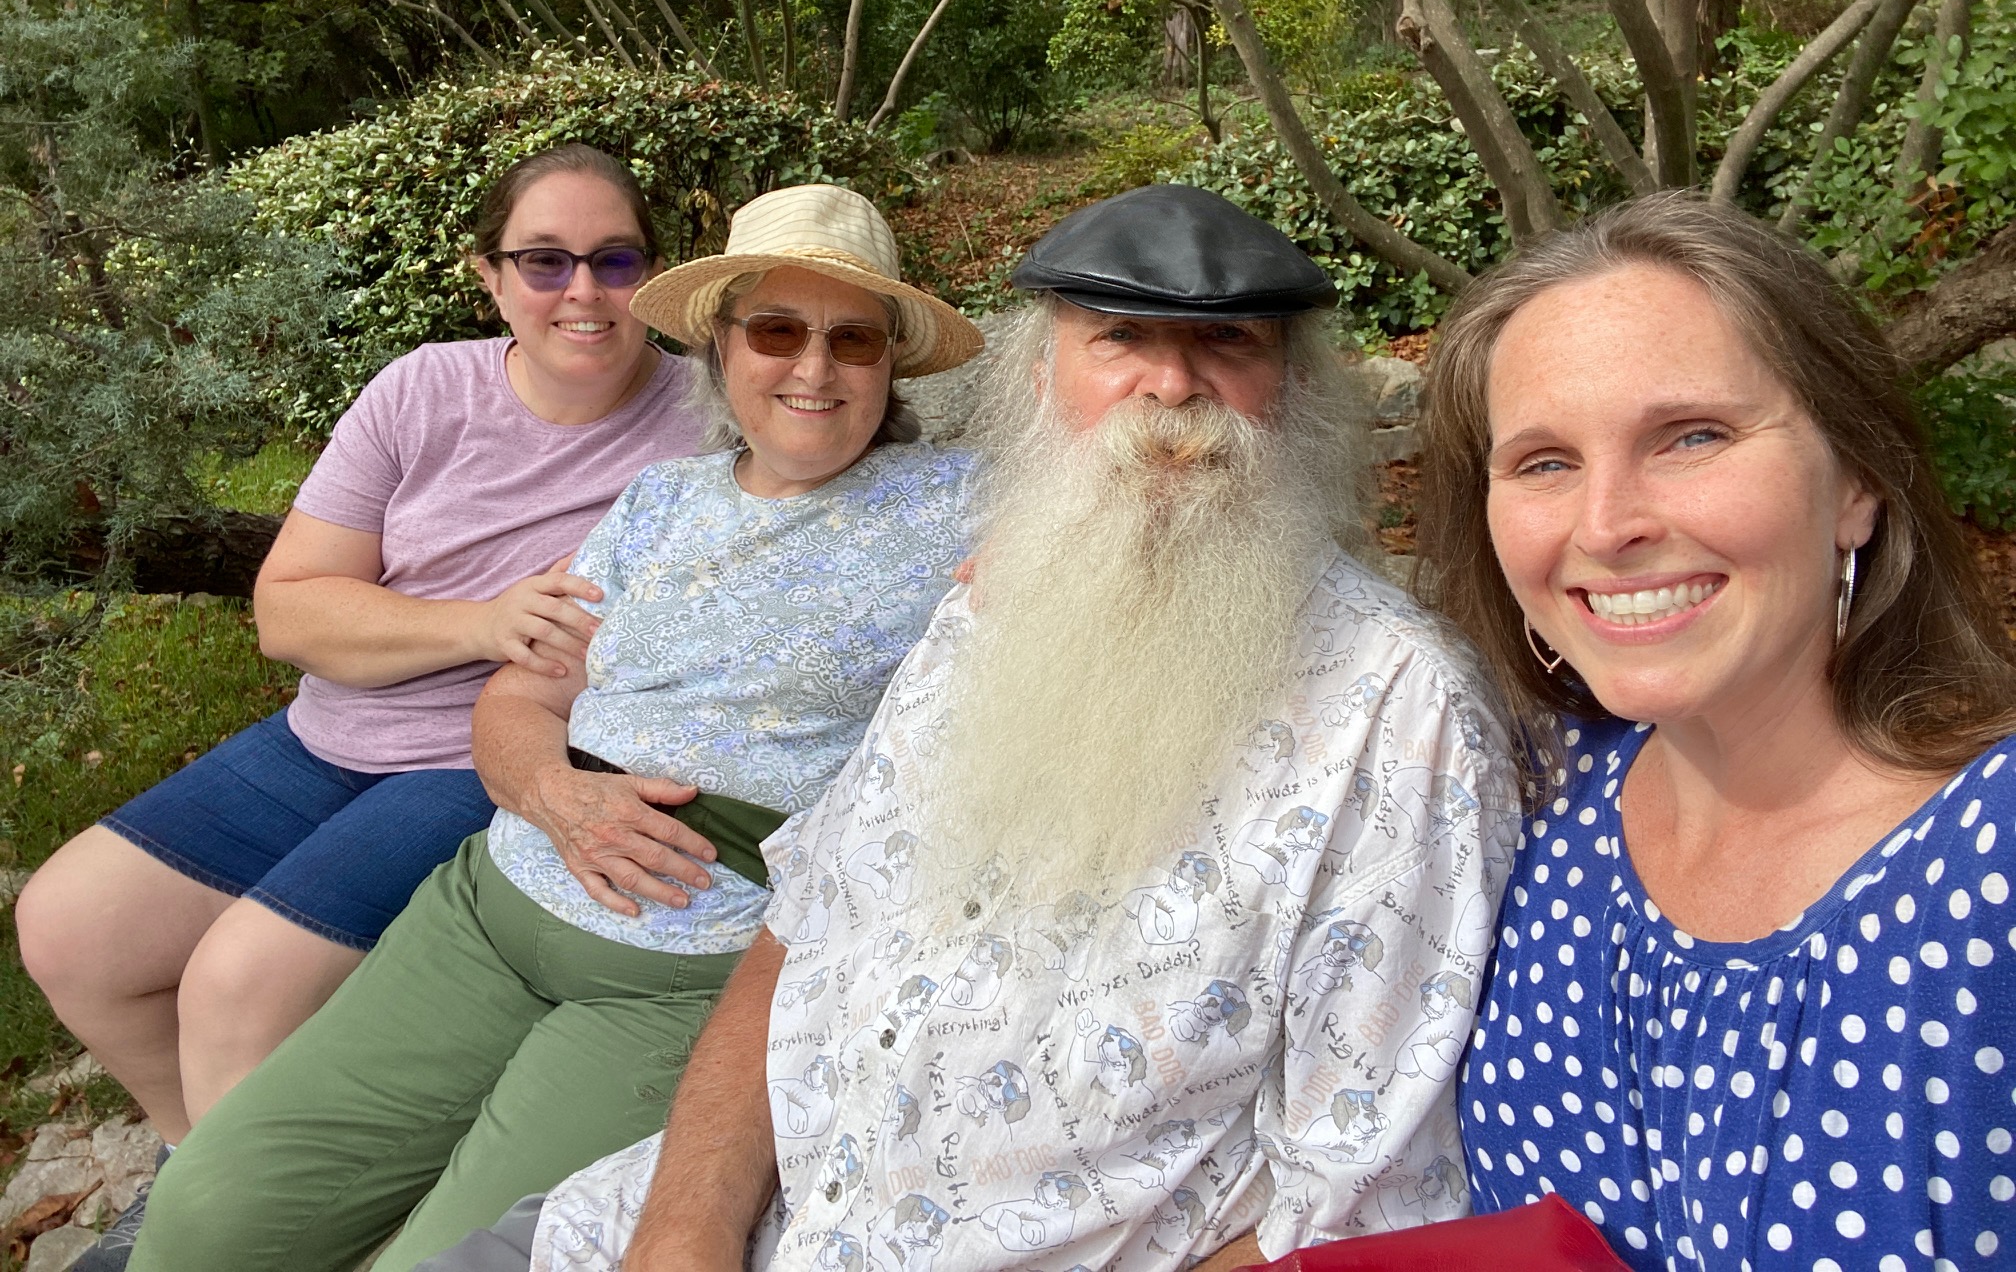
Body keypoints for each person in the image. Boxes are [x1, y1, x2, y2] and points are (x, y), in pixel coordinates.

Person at [421, 183, 1524, 1272]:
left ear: (1296, 389)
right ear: (1043, 380)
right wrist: (683, 1228)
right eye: (1120, 337)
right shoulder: (985, 612)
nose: (1173, 382)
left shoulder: (1402, 716)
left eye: (1229, 342)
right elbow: (801, 931)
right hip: (690, 1220)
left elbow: (1355, 1191)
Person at [126, 184, 985, 1272]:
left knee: (445, 1260)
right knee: (205, 1215)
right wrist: (552, 793)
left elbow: (1140, 487)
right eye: (776, 330)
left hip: (686, 970)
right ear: (721, 348)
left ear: (890, 366)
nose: (813, 369)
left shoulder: (962, 502)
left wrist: (1045, 552)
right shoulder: (658, 503)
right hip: (486, 915)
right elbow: (521, 696)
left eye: (853, 340)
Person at [17, 142, 705, 1268]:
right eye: (544, 261)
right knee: (69, 927)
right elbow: (288, 609)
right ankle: (211, 1183)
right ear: (488, 277)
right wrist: (478, 622)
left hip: (477, 765)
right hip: (322, 737)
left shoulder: (700, 424)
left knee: (237, 986)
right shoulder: (424, 387)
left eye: (614, 260)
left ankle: (252, 1229)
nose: (582, 291)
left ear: (654, 276)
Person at [1414, 193, 2016, 1270]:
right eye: (1545, 462)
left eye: (1691, 437)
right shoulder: (1531, 797)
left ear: (1859, 482)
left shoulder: (1991, 870)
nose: (1607, 526)